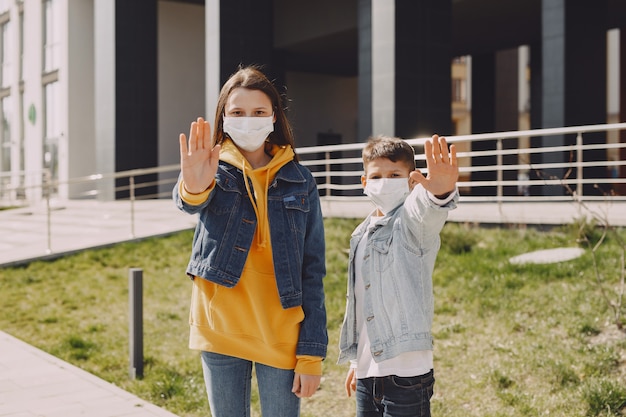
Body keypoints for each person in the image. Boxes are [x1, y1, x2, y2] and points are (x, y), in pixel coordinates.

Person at [173, 66, 327, 417]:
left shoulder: (301, 181)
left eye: (258, 112)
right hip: (220, 328)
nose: (248, 120)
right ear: (223, 118)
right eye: (238, 112)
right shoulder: (211, 168)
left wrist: (311, 353)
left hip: (282, 333)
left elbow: (313, 271)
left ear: (274, 116)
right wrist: (194, 185)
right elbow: (189, 200)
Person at [338, 134, 459, 417]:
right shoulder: (361, 233)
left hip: (407, 377)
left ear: (412, 181)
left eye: (395, 174)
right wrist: (357, 363)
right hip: (369, 375)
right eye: (376, 175)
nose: (384, 181)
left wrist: (438, 194)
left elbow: (426, 212)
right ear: (364, 182)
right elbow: (361, 303)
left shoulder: (411, 225)